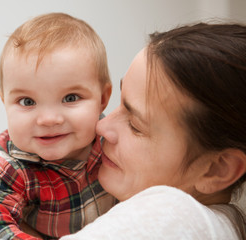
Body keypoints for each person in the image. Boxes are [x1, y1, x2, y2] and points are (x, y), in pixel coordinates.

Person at [61, 22, 246, 239]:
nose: (102, 126)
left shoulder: (173, 217)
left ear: (217, 169)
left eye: (135, 126)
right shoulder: (225, 222)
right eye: (119, 104)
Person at [0, 13, 115, 239]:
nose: (48, 119)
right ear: (5, 102)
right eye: (27, 102)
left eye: (70, 98)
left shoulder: (113, 138)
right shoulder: (5, 161)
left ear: (103, 98)